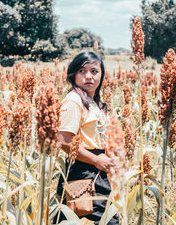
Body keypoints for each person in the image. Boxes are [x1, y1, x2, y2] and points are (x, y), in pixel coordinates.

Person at [54, 51, 119, 224]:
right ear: (73, 75)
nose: (88, 76)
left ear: (101, 75)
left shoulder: (95, 102)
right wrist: (96, 160)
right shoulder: (74, 100)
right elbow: (64, 140)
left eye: (94, 71)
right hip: (83, 172)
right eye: (82, 71)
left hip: (99, 170)